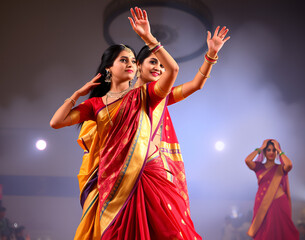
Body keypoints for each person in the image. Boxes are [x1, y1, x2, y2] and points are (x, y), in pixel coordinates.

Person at [50, 7, 201, 240]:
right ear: (109, 68)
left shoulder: (145, 94)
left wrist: (149, 38)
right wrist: (78, 94)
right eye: (124, 60)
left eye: (133, 60)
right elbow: (56, 122)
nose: (130, 63)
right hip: (112, 181)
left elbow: (173, 70)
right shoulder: (96, 105)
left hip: (147, 174)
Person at [133, 23, 229, 207]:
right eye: (153, 62)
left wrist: (211, 55)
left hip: (155, 171)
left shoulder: (161, 96)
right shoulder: (122, 99)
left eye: (162, 65)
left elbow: (196, 84)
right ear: (138, 64)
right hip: (128, 170)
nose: (158, 69)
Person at [244, 139, 299, 239]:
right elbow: (247, 160)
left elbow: (289, 165)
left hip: (280, 203)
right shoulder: (259, 166)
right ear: (265, 152)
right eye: (268, 150)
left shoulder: (280, 168)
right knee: (264, 232)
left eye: (274, 150)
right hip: (262, 203)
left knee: (283, 231)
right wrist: (260, 148)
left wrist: (279, 150)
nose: (271, 152)